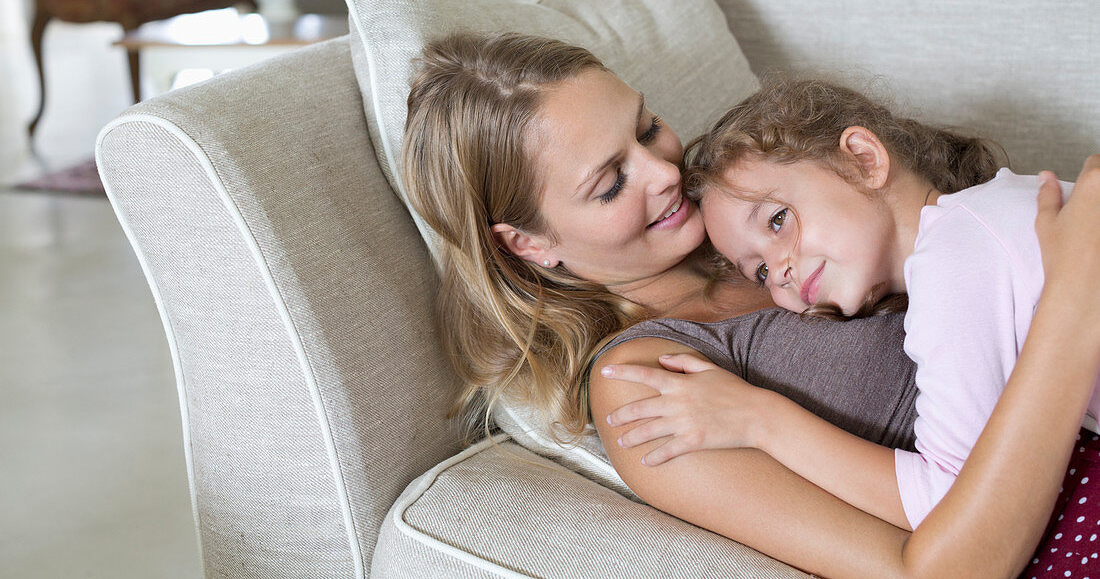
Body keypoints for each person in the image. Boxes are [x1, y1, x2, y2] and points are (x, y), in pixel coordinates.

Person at [401, 32, 1100, 578]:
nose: (666, 173)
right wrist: (1074, 306)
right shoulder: (646, 385)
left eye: (646, 129)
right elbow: (938, 569)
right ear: (529, 243)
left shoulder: (756, 201)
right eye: (611, 184)